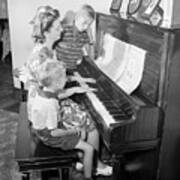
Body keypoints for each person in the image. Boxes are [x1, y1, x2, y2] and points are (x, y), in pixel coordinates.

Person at [30, 60, 101, 180]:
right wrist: (74, 130)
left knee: (82, 133)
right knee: (89, 148)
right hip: (49, 137)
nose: (66, 80)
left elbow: (60, 95)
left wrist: (75, 90)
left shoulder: (43, 91)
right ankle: (88, 176)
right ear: (58, 83)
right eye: (64, 78)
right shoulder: (51, 104)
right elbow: (54, 132)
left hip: (39, 130)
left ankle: (79, 160)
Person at [54, 4, 95, 74]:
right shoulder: (64, 30)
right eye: (84, 23)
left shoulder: (84, 35)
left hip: (72, 70)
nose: (86, 27)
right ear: (76, 17)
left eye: (89, 25)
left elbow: (92, 58)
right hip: (58, 69)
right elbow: (52, 46)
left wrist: (91, 39)